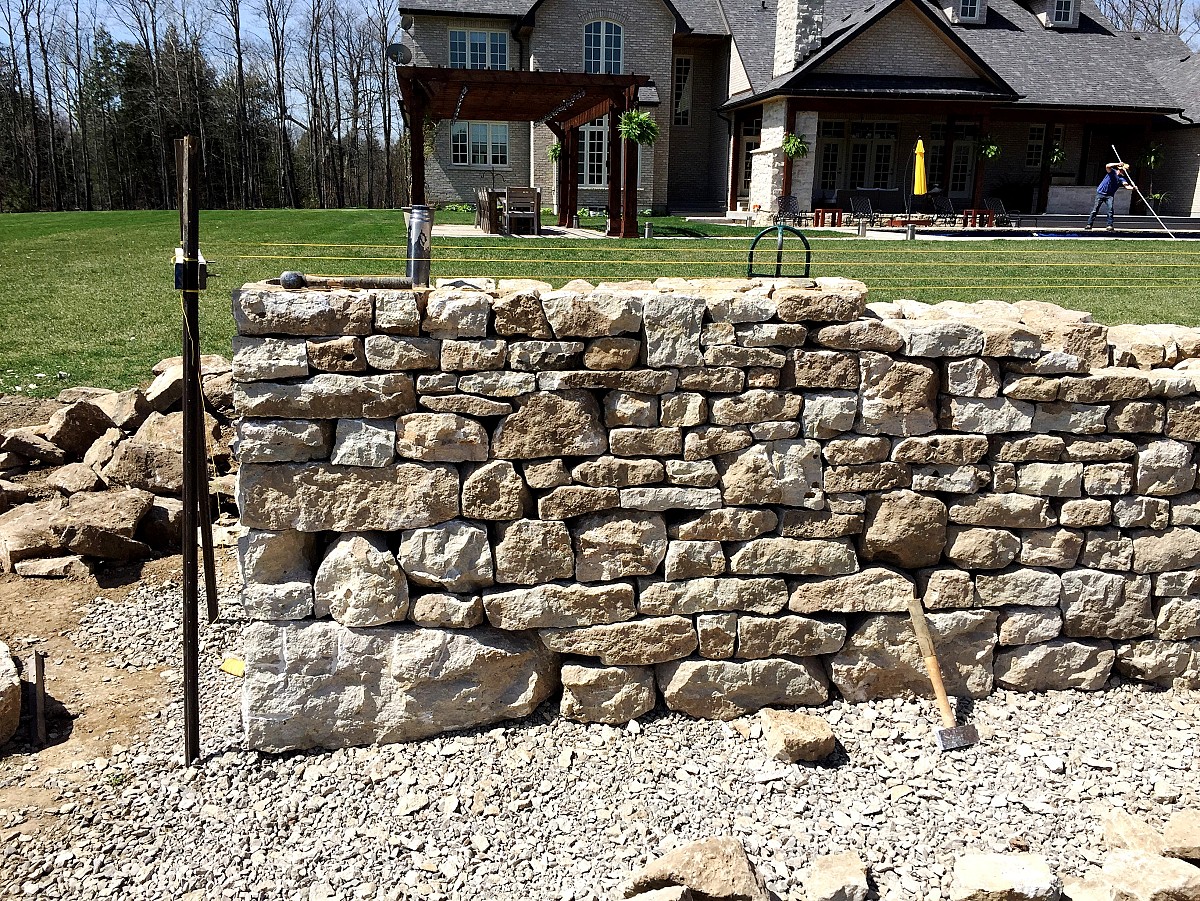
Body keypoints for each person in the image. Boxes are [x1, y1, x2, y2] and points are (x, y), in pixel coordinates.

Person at [1085, 162, 1133, 231]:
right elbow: (1107, 165)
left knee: (1110, 210)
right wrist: (1118, 163)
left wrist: (1133, 188)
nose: (1124, 172)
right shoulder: (1112, 172)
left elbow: (1127, 186)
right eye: (1124, 170)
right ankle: (1089, 224)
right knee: (1095, 210)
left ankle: (1109, 225)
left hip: (1109, 195)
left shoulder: (1122, 178)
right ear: (1120, 169)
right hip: (1100, 193)